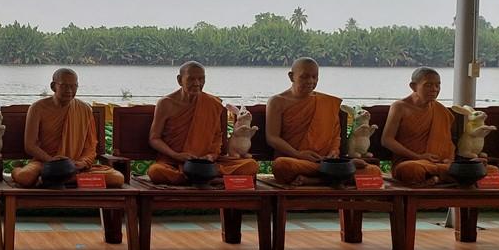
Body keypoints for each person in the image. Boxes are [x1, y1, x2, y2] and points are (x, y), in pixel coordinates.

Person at [147, 61, 259, 184]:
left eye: (201, 79)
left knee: (251, 165)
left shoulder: (212, 104)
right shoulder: (166, 103)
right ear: (180, 80)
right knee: (156, 171)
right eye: (191, 79)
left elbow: (216, 138)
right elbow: (154, 138)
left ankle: (199, 176)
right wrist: (175, 155)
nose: (197, 83)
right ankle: (207, 178)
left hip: (207, 164)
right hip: (174, 162)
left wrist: (211, 156)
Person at [11, 68, 124, 188]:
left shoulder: (84, 109)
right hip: (45, 163)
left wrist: (82, 163)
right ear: (53, 86)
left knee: (117, 178)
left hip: (74, 165)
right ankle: (17, 171)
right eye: (64, 86)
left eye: (74, 86)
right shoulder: (37, 108)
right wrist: (52, 160)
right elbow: (30, 145)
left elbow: (90, 146)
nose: (69, 90)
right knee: (25, 177)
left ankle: (59, 180)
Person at [267, 57, 356, 185]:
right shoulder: (277, 102)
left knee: (372, 171)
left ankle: (318, 179)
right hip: (296, 160)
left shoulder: (326, 103)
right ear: (291, 76)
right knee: (281, 165)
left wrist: (333, 153)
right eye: (304, 77)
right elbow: (272, 137)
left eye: (315, 77)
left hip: (325, 161)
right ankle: (335, 174)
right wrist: (298, 154)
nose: (310, 81)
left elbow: (335, 135)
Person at [382, 67, 456, 186]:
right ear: (413, 86)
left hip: (438, 163)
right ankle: (440, 178)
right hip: (410, 162)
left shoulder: (441, 111)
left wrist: (449, 159)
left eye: (438, 85)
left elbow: (447, 143)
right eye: (428, 85)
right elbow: (387, 140)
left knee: (487, 170)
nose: (435, 89)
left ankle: (435, 178)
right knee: (411, 169)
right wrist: (418, 156)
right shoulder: (400, 107)